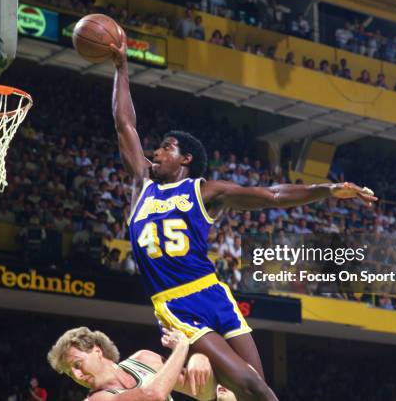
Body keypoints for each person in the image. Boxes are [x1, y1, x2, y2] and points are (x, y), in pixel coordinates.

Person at [109, 30, 377, 401]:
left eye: (166, 147)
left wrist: (328, 190)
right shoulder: (143, 185)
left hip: (214, 292)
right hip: (175, 303)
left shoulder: (204, 191)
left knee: (254, 387)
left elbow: (270, 195)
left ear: (186, 159)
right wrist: (121, 66)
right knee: (248, 385)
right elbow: (126, 125)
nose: (156, 152)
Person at [47, 326, 216, 400]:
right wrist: (182, 347)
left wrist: (200, 358)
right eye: (70, 373)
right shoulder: (98, 399)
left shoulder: (144, 360)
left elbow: (205, 393)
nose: (77, 376)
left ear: (97, 350)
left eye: (77, 365)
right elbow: (153, 395)